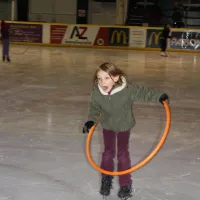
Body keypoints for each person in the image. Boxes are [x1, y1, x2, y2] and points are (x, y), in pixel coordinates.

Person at [82, 62, 169, 199]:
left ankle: (125, 185)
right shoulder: (96, 92)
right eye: (99, 78)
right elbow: (94, 109)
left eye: (106, 78)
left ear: (116, 78)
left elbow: (143, 92)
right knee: (107, 153)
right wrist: (90, 121)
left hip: (124, 126)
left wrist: (159, 96)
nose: (102, 82)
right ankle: (106, 179)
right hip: (108, 126)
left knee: (122, 154)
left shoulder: (127, 89)